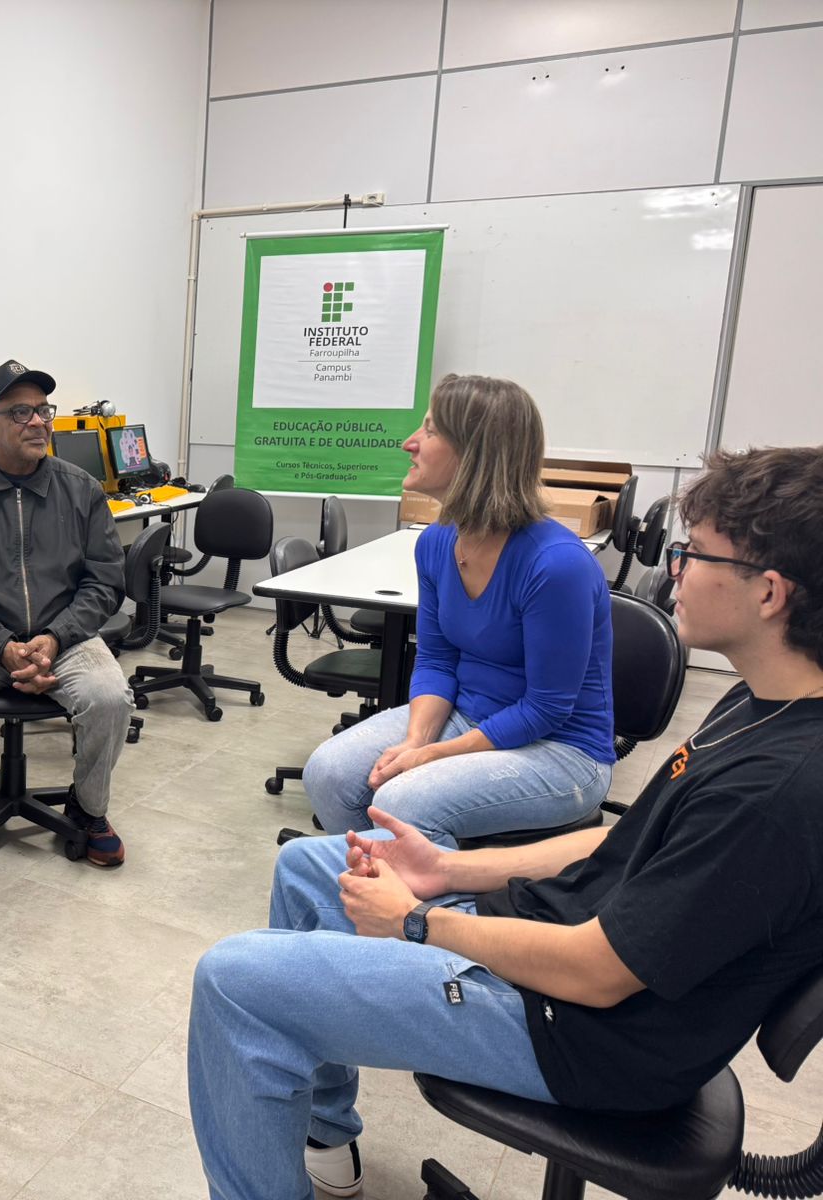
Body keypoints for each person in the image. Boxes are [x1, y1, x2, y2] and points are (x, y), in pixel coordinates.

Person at [187, 443, 823, 1200]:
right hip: (560, 944)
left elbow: (598, 973)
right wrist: (446, 870)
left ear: (769, 592)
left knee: (234, 984)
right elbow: (624, 839)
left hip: (578, 1032)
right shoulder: (759, 701)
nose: (676, 570)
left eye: (696, 554)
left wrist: (419, 920)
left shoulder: (775, 791)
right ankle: (326, 1133)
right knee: (305, 867)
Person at [302, 374, 615, 845]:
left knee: (402, 801)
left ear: (475, 454)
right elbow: (436, 659)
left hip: (561, 750)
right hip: (467, 716)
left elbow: (547, 708)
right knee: (327, 773)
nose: (409, 443)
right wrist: (415, 741)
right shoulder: (435, 544)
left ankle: (432, 891)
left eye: (430, 431)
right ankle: (388, 884)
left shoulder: (556, 565)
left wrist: (433, 756)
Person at [0, 359, 133, 868]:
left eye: (42, 410)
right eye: (20, 412)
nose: (37, 422)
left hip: (67, 637)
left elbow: (105, 581)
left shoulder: (82, 489)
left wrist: (56, 637)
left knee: (109, 698)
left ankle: (88, 809)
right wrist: (0, 646)